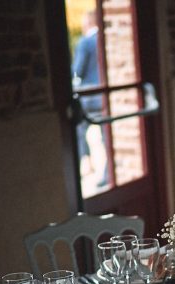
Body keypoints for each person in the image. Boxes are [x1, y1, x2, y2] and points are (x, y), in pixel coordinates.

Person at [72, 10, 106, 186]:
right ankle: (107, 172)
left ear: (87, 24)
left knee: (79, 131)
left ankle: (87, 164)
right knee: (105, 134)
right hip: (104, 96)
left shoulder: (84, 42)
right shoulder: (105, 39)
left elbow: (78, 70)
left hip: (89, 97)